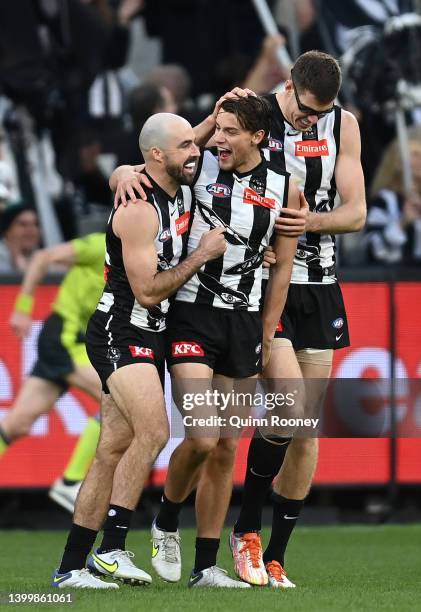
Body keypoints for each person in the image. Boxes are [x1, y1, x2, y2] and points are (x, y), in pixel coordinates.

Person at [110, 95, 302, 587]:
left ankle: (205, 567)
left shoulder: (285, 188)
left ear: (258, 138)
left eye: (230, 132)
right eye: (216, 131)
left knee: (225, 449)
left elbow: (281, 269)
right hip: (193, 316)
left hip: (243, 323)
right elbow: (146, 165)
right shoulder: (199, 172)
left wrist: (265, 332)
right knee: (201, 437)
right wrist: (120, 174)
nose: (217, 141)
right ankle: (167, 521)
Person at [51, 112, 226, 589]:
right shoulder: (138, 207)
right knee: (154, 430)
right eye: (186, 146)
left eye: (196, 143)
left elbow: (183, 142)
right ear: (156, 156)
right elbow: (148, 291)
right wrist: (202, 254)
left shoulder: (175, 182)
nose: (197, 152)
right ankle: (111, 549)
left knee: (111, 448)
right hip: (121, 329)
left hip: (147, 334)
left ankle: (69, 569)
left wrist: (215, 114)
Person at [228, 50, 367, 588]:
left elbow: (354, 212)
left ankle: (276, 556)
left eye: (320, 112)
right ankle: (245, 533)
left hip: (321, 285)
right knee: (285, 408)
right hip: (266, 288)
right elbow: (193, 161)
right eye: (306, 111)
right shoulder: (254, 112)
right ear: (289, 85)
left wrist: (311, 221)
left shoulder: (344, 123)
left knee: (305, 431)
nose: (312, 119)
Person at [0, 233, 106, 510]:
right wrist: (23, 308)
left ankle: (70, 484)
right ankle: (70, 483)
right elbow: (42, 257)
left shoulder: (142, 258)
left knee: (16, 424)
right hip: (64, 338)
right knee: (116, 402)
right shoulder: (100, 245)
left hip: (73, 343)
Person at [364, 126, 421, 264]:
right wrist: (402, 223)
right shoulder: (387, 200)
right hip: (402, 280)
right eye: (416, 154)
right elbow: (372, 249)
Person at [0, 204, 41, 273]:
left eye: (35, 224)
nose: (31, 230)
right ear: (7, 231)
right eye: (23, 224)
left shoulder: (42, 257)